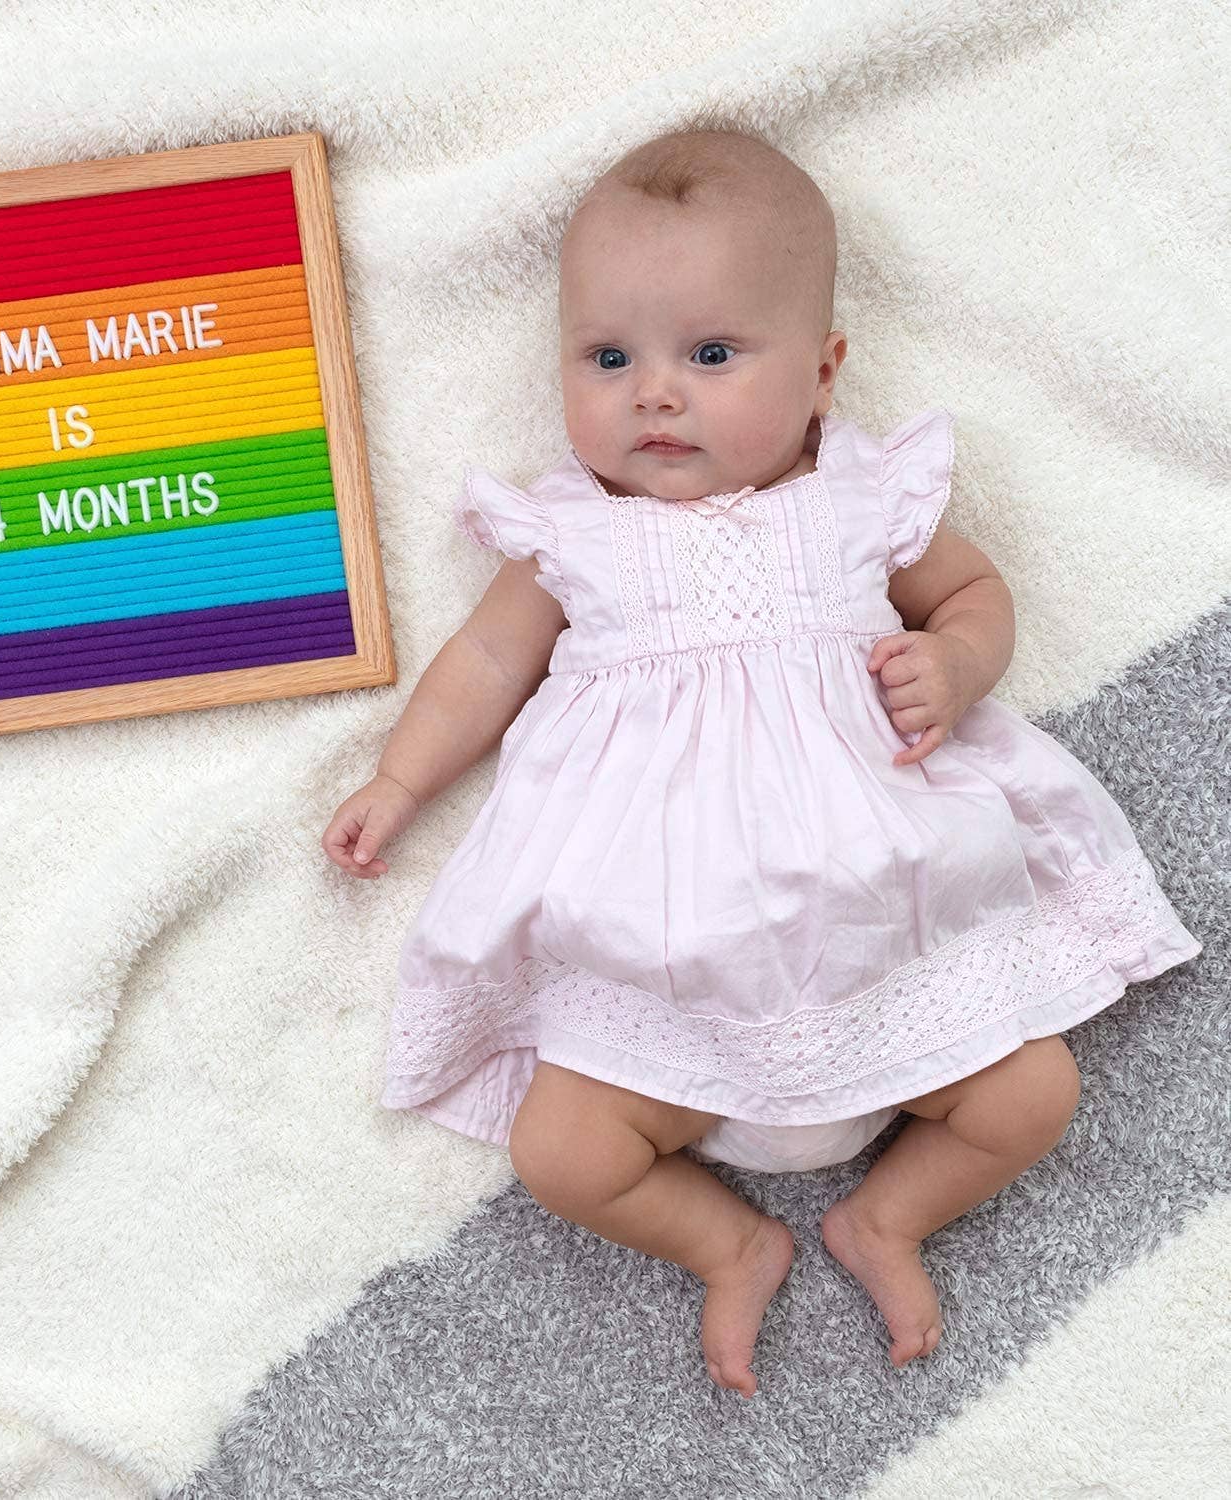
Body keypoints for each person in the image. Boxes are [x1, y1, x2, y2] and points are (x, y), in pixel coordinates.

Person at [319, 126, 1202, 1400]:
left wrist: (954, 664)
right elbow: (482, 666)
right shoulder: (571, 528)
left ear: (825, 369)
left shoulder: (863, 499)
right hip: (660, 978)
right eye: (608, 357)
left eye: (712, 355)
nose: (655, 394)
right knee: (560, 1153)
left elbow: (975, 593)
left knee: (1034, 1096)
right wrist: (401, 781)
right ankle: (728, 1241)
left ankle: (887, 1217)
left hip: (887, 948)